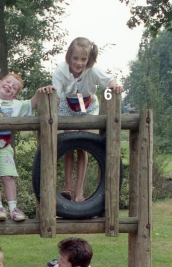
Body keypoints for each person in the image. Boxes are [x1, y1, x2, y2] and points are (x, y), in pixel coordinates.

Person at [0, 74, 54, 222]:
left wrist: (40, 91)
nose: (9, 86)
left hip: (3, 145)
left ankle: (13, 208)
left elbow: (33, 103)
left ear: (15, 94)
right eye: (8, 82)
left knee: (8, 176)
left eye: (14, 87)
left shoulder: (16, 105)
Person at [53, 37, 124, 202]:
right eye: (75, 58)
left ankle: (79, 191)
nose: (79, 63)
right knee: (69, 143)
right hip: (67, 104)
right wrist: (53, 114)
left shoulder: (93, 70)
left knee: (83, 145)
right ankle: (68, 188)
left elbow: (110, 80)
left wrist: (115, 86)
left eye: (83, 59)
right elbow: (56, 95)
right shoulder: (61, 70)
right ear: (69, 56)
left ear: (89, 59)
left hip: (87, 105)